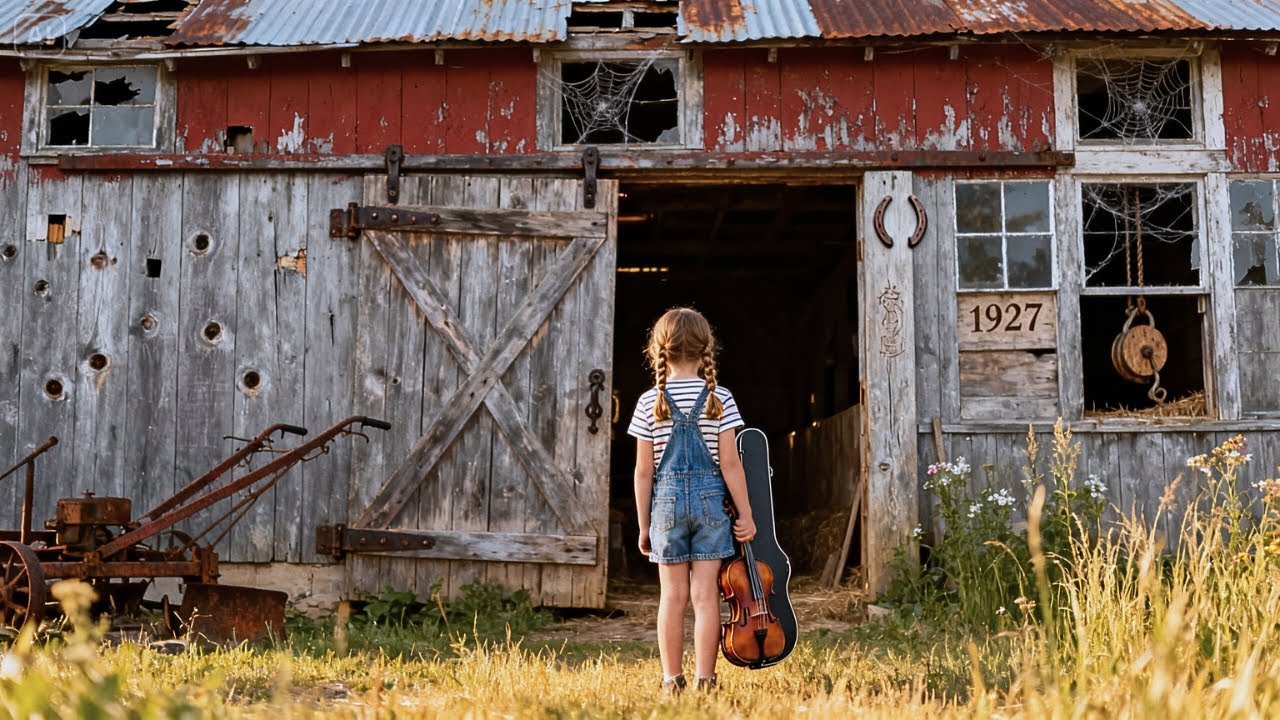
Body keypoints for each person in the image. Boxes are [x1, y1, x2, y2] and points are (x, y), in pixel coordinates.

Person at [628, 307, 756, 695]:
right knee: (705, 597)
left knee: (672, 597)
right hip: (709, 505)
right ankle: (705, 680)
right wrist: (746, 514)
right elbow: (732, 464)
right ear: (705, 351)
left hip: (665, 507)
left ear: (659, 351)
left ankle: (671, 681)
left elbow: (643, 471)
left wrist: (643, 523)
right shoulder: (721, 399)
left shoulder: (650, 400)